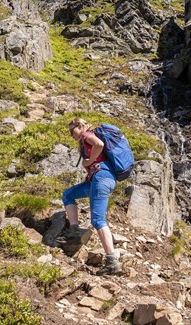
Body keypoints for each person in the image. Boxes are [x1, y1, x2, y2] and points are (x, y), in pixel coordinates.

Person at [59, 117, 121, 275]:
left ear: (79, 126)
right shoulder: (84, 140)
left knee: (98, 219)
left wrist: (89, 161)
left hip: (101, 179)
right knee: (68, 194)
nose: (71, 134)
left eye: (72, 130)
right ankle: (74, 231)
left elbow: (99, 145)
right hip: (100, 180)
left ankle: (112, 261)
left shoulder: (86, 135)